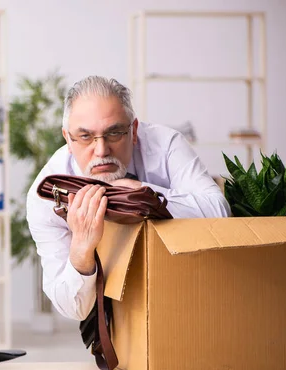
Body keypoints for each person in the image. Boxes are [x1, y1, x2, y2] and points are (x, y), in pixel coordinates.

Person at [25, 75, 231, 321]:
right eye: (85, 137)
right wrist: (81, 249)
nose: (101, 151)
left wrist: (142, 194)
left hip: (188, 292)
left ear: (133, 131)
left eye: (114, 133)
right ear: (68, 139)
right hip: (112, 316)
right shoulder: (46, 196)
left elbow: (219, 212)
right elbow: (75, 309)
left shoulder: (165, 145)